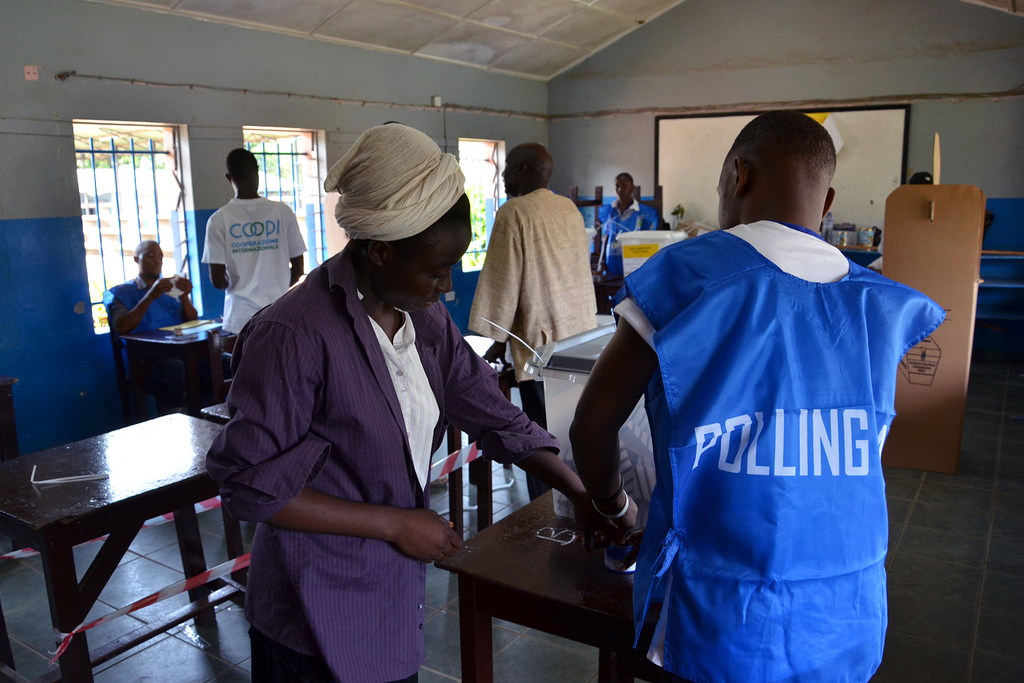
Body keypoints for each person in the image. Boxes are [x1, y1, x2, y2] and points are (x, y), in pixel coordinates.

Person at [205, 124, 612, 683]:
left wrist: (578, 491)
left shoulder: (423, 319)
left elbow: (491, 412)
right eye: (436, 270)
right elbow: (249, 485)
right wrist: (396, 524)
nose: (445, 287)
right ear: (379, 251)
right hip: (312, 612)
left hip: (390, 594)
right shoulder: (293, 334)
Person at [569, 111, 945, 683]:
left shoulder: (688, 277)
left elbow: (592, 427)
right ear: (827, 202)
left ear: (738, 176)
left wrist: (616, 510)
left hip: (725, 618)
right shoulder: (879, 305)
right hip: (845, 612)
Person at [468, 142, 598, 500]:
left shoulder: (515, 211)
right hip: (580, 340)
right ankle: (585, 500)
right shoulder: (568, 208)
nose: (502, 174)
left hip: (541, 345)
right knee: (574, 430)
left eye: (507, 165)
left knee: (541, 439)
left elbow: (503, 281)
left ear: (523, 169)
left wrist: (496, 339)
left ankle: (547, 511)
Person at [202, 148, 307, 339]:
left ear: (228, 177)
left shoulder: (218, 220)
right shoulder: (283, 212)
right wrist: (278, 289)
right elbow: (299, 269)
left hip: (240, 318)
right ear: (256, 172)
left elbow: (217, 281)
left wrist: (237, 283)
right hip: (279, 313)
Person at [103, 240, 199, 412]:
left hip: (181, 352)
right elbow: (122, 327)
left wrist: (184, 296)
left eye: (160, 257)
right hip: (146, 362)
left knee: (218, 362)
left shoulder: (169, 288)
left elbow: (192, 319)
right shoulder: (122, 292)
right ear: (136, 259)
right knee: (177, 369)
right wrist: (150, 295)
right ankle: (177, 419)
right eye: (151, 256)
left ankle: (208, 416)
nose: (157, 261)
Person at [596, 172, 661, 277]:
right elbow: (607, 237)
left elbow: (649, 243)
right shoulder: (610, 211)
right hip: (612, 266)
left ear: (632, 188)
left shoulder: (644, 213)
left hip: (635, 268)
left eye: (624, 186)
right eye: (617, 186)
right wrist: (601, 263)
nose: (620, 190)